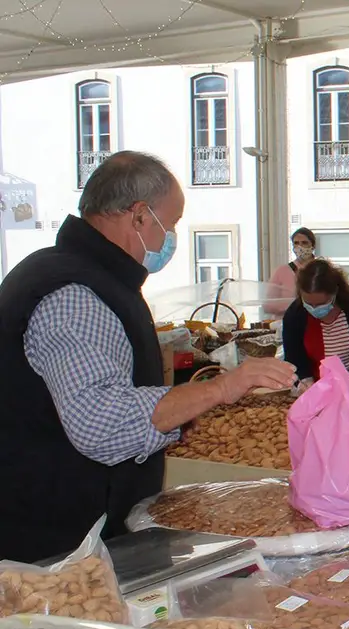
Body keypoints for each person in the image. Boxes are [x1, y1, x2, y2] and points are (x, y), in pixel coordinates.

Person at [0, 151, 296, 562]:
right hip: (57, 545)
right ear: (139, 216)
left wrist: (178, 416)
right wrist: (224, 386)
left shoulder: (74, 272)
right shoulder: (75, 296)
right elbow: (101, 424)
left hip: (63, 530)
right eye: (170, 224)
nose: (170, 239)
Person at [282, 259, 349, 402]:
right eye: (309, 304)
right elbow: (294, 358)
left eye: (321, 304)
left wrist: (342, 383)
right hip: (320, 396)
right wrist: (306, 381)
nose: (314, 309)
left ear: (335, 293)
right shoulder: (295, 315)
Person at [263, 227, 317, 314]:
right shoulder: (281, 271)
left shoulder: (322, 270)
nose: (300, 246)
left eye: (304, 243)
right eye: (296, 243)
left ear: (313, 246)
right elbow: (268, 305)